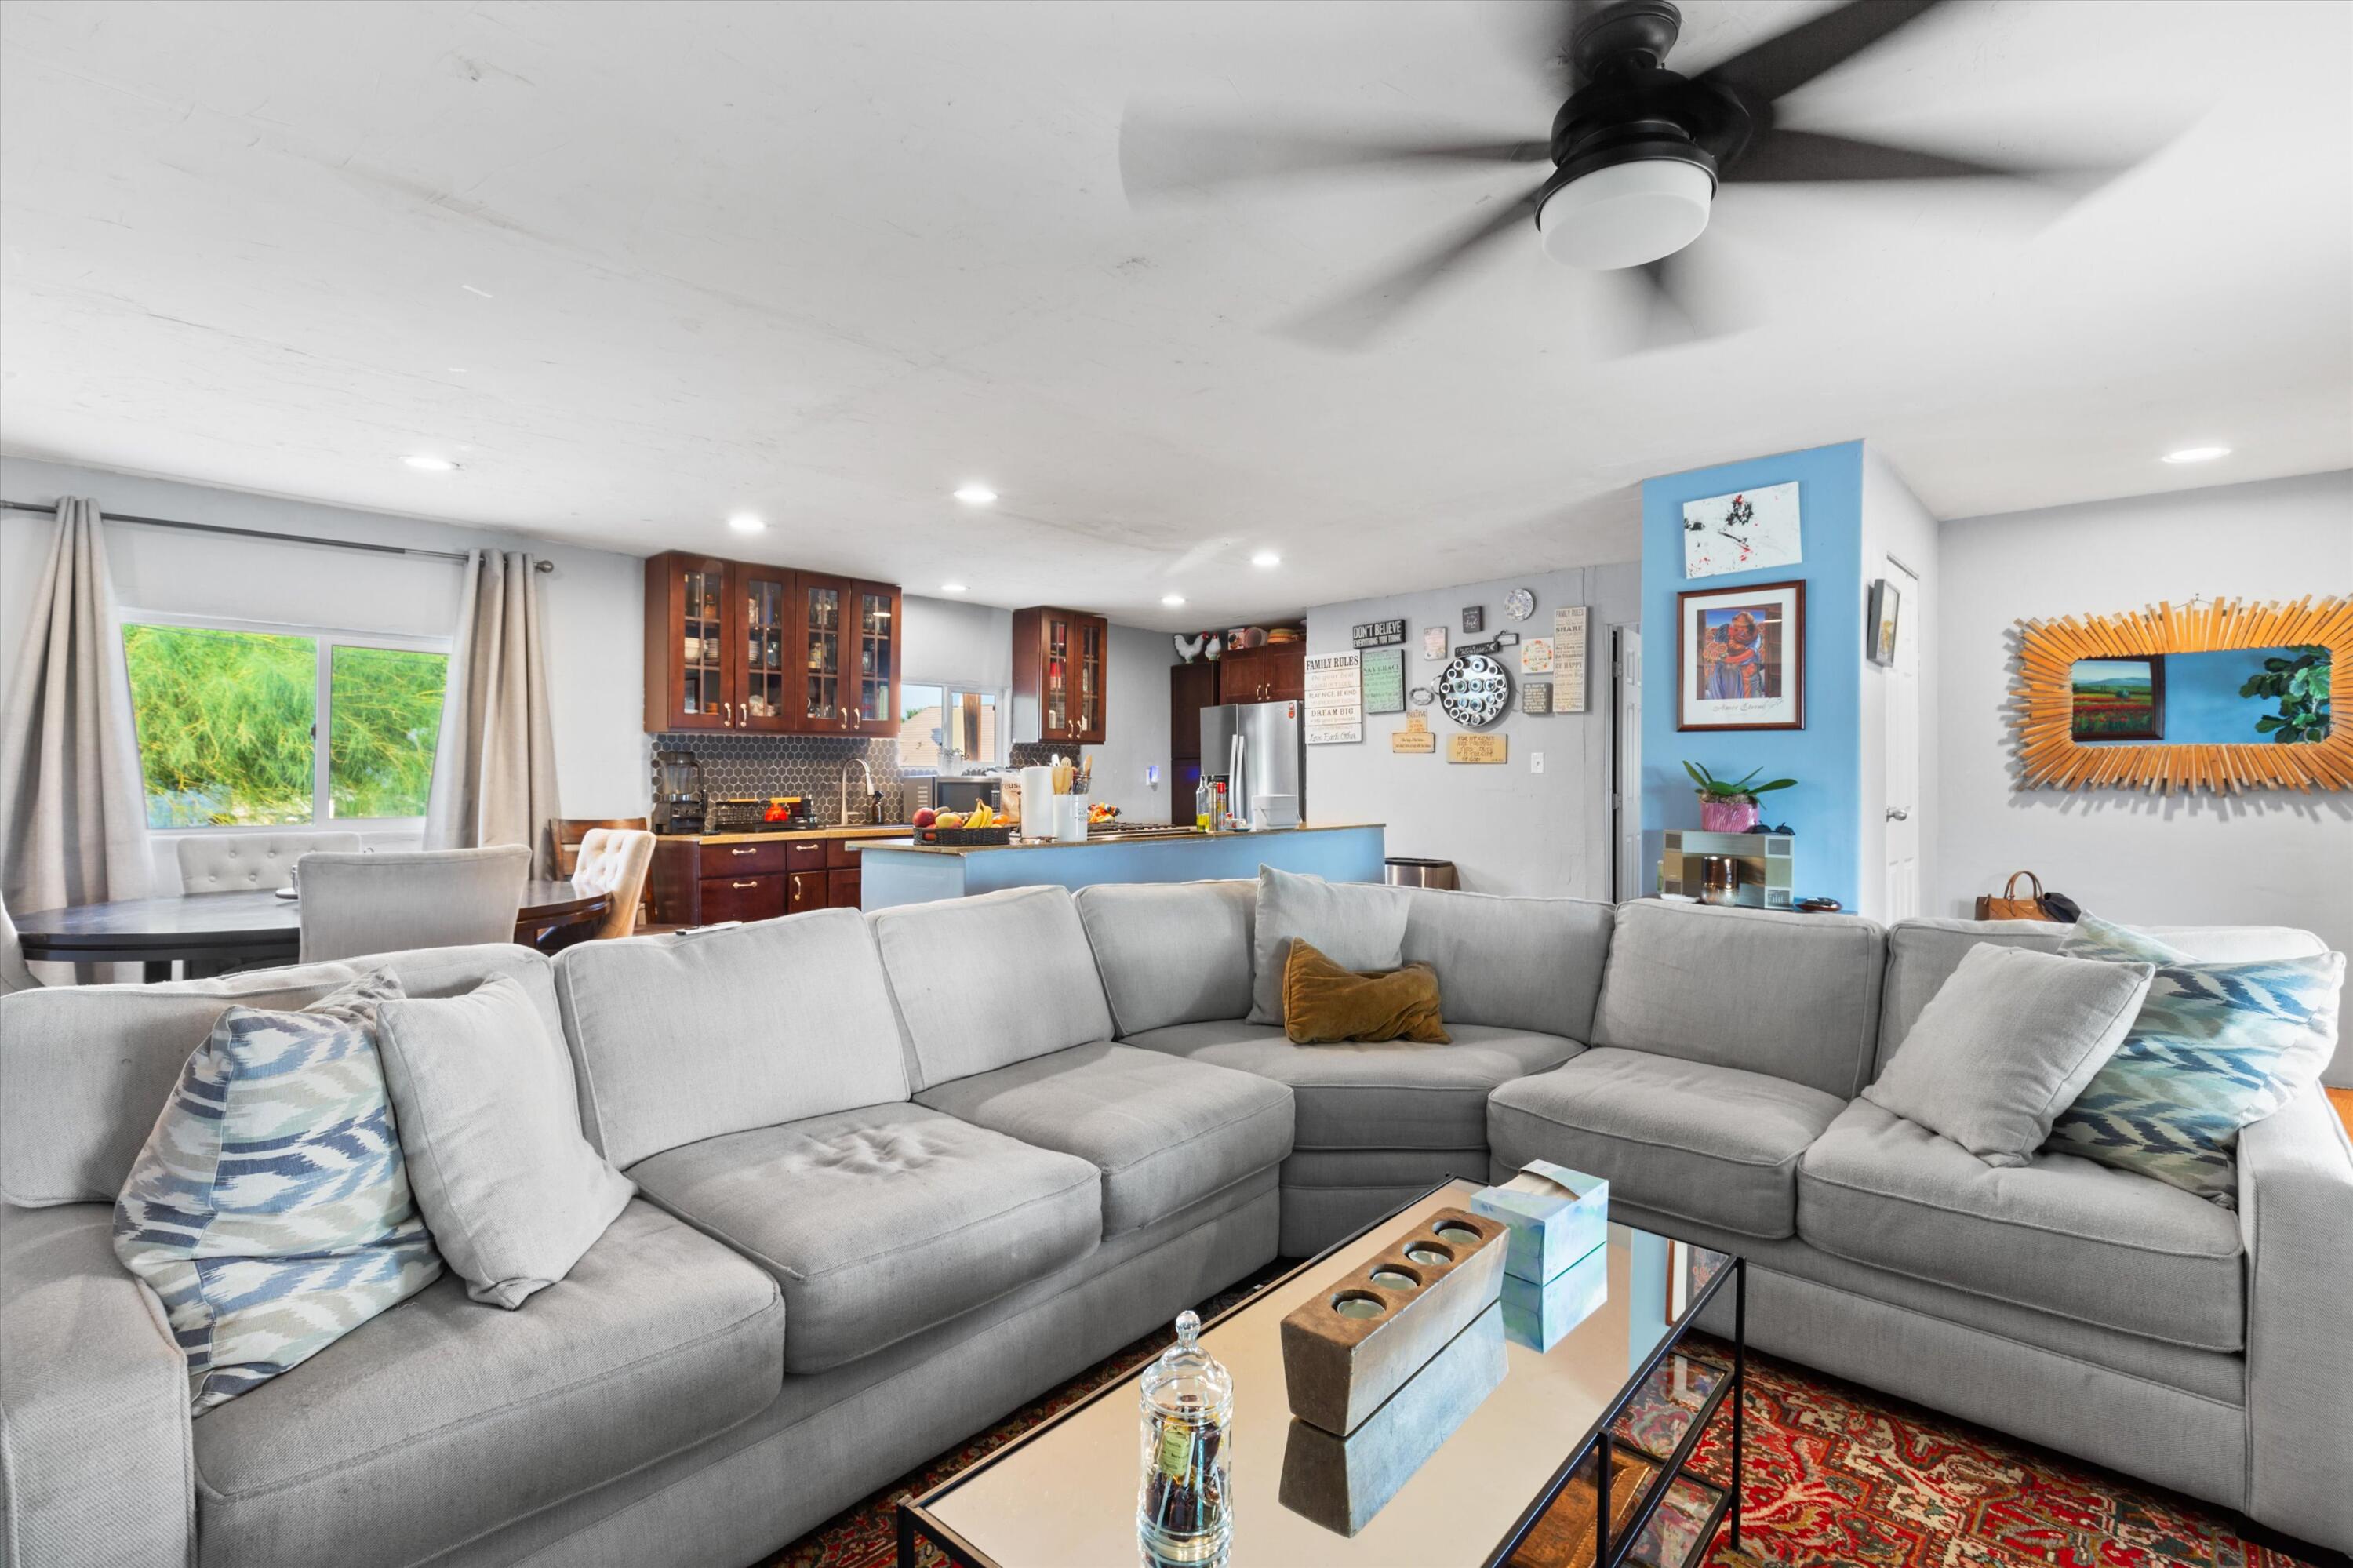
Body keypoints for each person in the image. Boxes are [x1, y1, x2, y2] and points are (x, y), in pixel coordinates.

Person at [1704, 611, 1775, 701]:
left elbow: (1750, 653)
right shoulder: (1730, 634)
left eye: (1741, 626)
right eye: (1736, 625)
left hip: (1748, 670)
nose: (1737, 628)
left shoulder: (1755, 637)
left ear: (1748, 627)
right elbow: (1719, 648)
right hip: (1731, 670)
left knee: (1752, 694)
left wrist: (1730, 659)